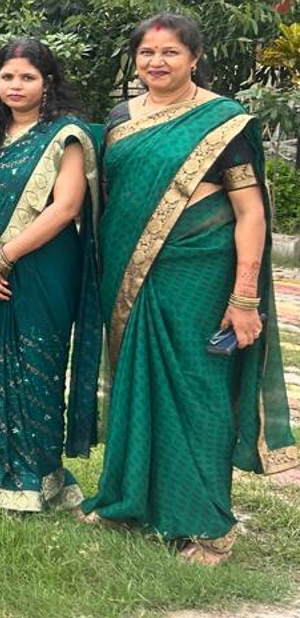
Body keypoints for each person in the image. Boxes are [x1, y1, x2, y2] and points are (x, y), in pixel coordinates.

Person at [84, 13, 296, 564]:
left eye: (170, 52)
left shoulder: (224, 122)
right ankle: (126, 501)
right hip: (128, 271)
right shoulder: (119, 120)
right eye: (147, 53)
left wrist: (244, 297)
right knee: (134, 382)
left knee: (197, 387)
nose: (156, 62)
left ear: (195, 58)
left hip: (199, 270)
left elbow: (250, 214)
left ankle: (207, 524)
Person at [0, 39, 101, 512]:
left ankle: (35, 479)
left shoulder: (66, 135)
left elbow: (65, 207)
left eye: (27, 77)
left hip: (44, 265)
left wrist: (2, 258)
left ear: (48, 83)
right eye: (7, 76)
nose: (15, 85)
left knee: (36, 367)